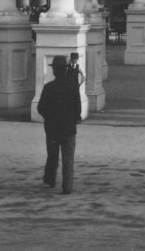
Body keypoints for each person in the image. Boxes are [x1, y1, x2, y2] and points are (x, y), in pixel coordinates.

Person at [37, 55, 81, 194]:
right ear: (66, 69)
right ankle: (67, 186)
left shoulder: (49, 87)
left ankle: (50, 178)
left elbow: (41, 108)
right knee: (68, 159)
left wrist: (49, 117)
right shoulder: (73, 87)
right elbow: (78, 109)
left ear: (54, 71)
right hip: (68, 128)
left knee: (52, 155)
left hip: (52, 127)